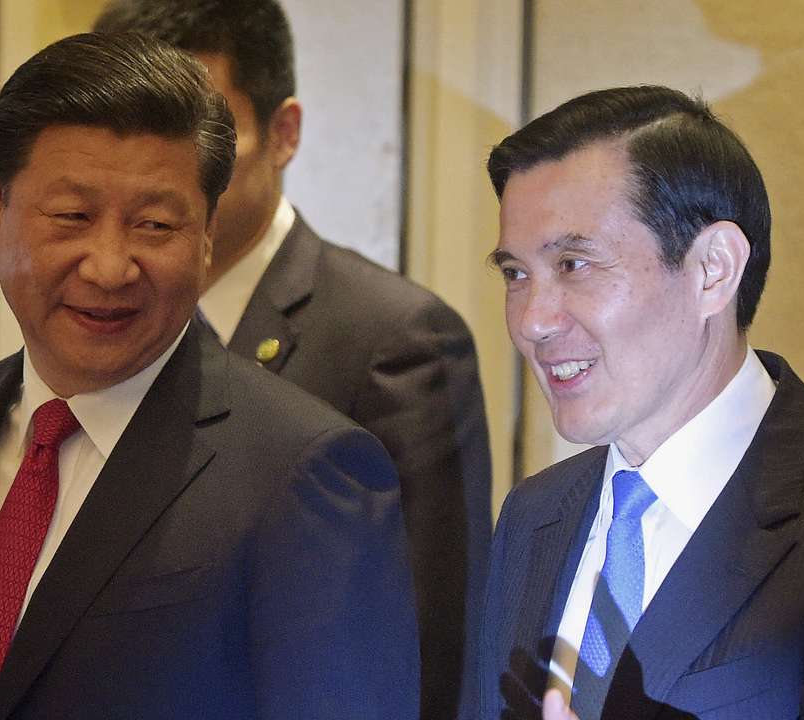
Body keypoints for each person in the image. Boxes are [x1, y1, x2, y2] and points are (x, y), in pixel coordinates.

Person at [0, 32, 419, 720]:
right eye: (72, 216)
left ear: (204, 235)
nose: (110, 266)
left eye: (155, 224)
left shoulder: (305, 474)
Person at [471, 86, 804, 720]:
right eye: (516, 274)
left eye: (574, 264)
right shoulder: (534, 515)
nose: (532, 321)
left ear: (713, 270)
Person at [92, 3, 492, 718]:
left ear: (284, 133)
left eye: (202, 140)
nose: (160, 179)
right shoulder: (98, 324)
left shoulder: (396, 341)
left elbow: (434, 652)